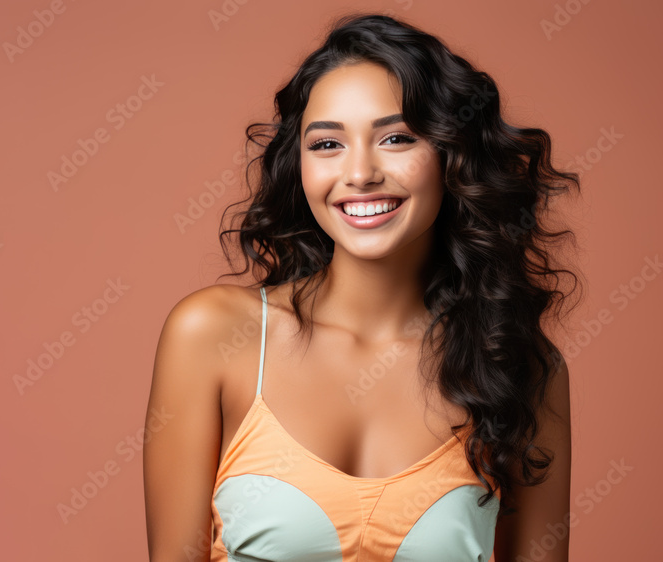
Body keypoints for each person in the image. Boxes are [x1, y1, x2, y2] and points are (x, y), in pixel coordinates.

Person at [143, 12, 580, 562]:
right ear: (298, 165)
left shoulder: (521, 366)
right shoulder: (212, 335)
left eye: (396, 137)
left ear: (451, 155)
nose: (360, 173)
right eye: (327, 144)